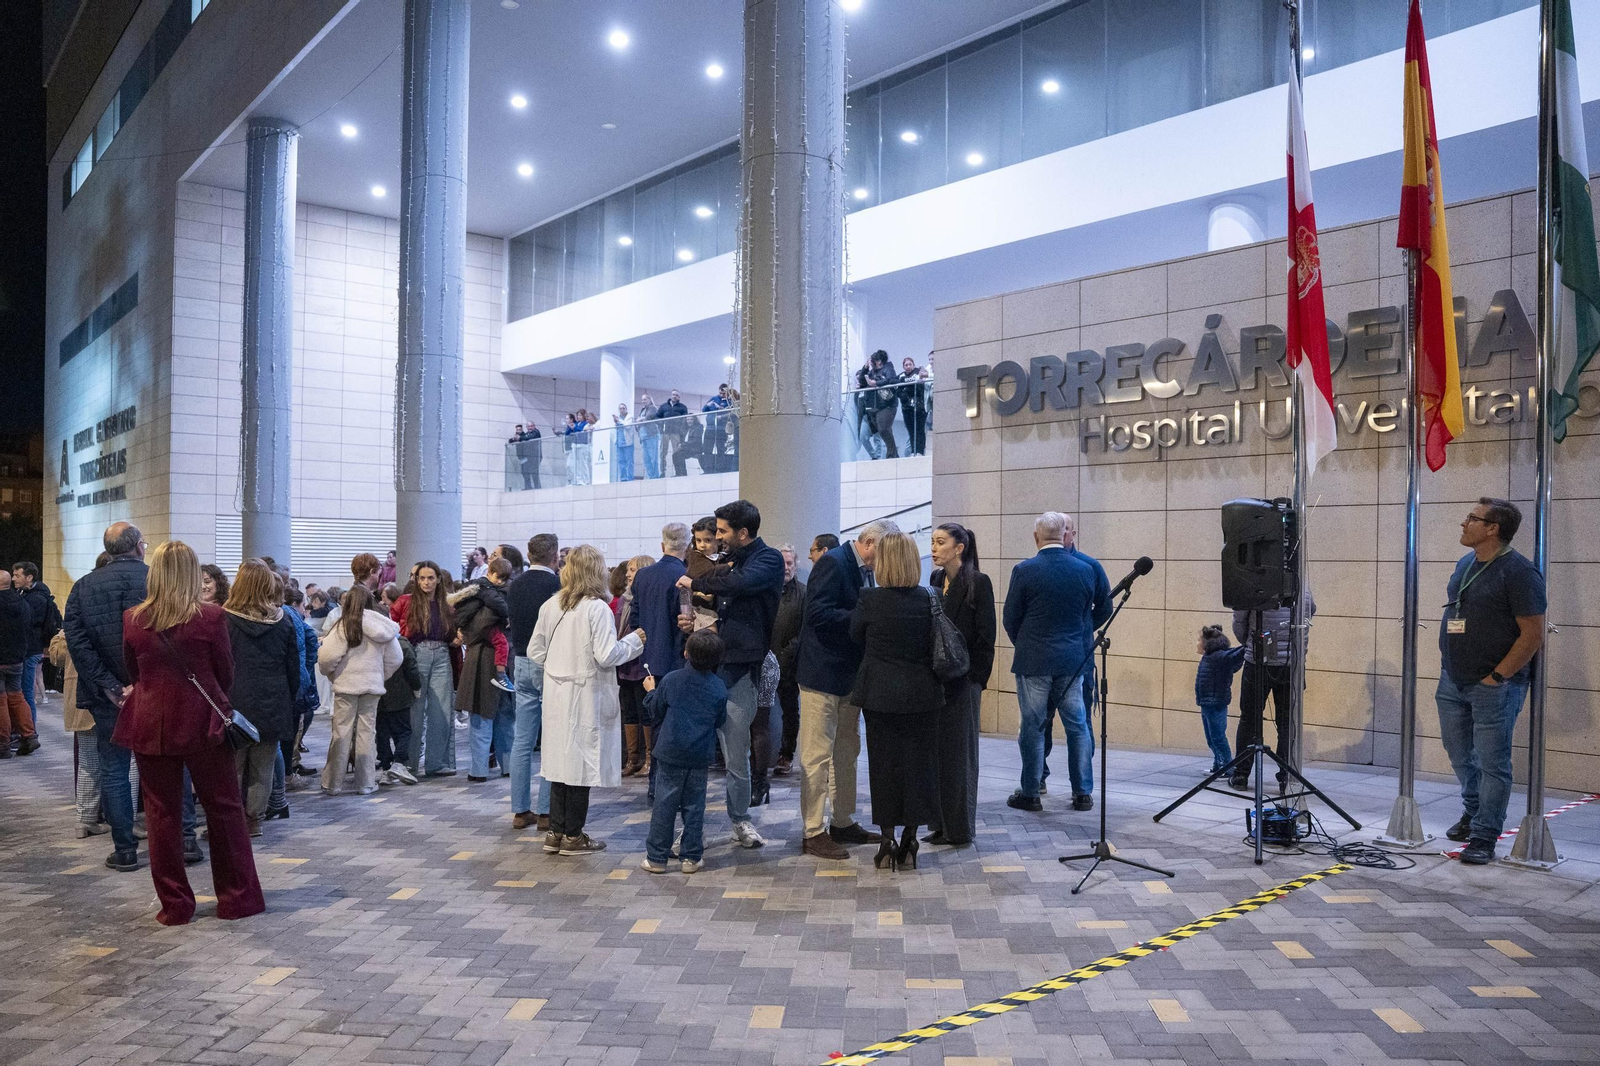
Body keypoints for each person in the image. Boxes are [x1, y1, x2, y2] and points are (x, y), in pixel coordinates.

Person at [116, 540, 265, 925]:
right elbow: (225, 673)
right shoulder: (211, 617)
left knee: (161, 814)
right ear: (191, 574)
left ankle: (176, 905)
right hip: (203, 722)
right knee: (224, 808)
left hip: (150, 723)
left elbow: (134, 672)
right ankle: (237, 898)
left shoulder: (133, 619)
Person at [1435, 497, 1547, 865]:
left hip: (1494, 686)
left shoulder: (1519, 572)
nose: (1463, 523)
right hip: (1453, 679)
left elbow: (1533, 634)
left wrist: (1497, 676)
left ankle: (1485, 835)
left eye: (1472, 518)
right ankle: (1473, 811)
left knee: (1492, 763)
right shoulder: (1465, 563)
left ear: (1493, 529)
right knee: (1459, 754)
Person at [675, 500, 785, 850]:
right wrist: (695, 615)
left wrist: (700, 580)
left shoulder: (767, 559)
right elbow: (712, 591)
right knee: (693, 753)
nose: (717, 536)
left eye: (722, 531)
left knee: (737, 755)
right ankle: (690, 827)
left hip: (740, 669)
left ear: (743, 532)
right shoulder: (730, 561)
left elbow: (736, 583)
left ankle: (740, 819)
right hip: (707, 666)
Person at [529, 545, 646, 855]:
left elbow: (535, 651)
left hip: (557, 694)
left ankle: (555, 832)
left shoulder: (551, 605)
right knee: (579, 765)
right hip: (585, 695)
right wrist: (634, 641)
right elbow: (607, 655)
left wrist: (559, 666)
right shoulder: (597, 608)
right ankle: (573, 836)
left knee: (559, 765)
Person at [793, 520, 897, 858]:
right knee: (817, 755)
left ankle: (842, 821)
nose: (886, 559)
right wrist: (864, 617)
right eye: (884, 551)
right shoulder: (833, 562)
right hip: (822, 674)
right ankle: (813, 831)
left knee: (847, 752)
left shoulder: (864, 568)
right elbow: (817, 614)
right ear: (869, 543)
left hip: (849, 675)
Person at [1002, 511, 1111, 813]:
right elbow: (1095, 612)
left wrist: (1026, 643)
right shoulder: (1085, 569)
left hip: (1034, 661)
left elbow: (1010, 617)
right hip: (1073, 660)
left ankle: (1031, 793)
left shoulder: (1024, 570)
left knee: (1033, 726)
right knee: (1077, 726)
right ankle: (1083, 793)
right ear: (1065, 534)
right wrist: (1077, 636)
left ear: (1036, 536)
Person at [848, 531, 944, 871]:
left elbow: (854, 635)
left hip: (880, 694)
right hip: (923, 694)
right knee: (919, 766)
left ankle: (887, 840)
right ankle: (911, 840)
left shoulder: (869, 599)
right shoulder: (931, 597)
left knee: (884, 767)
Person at [64, 522, 150, 870]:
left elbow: (77, 643)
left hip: (106, 698)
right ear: (139, 546)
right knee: (165, 765)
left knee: (114, 769)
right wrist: (139, 683)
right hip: (154, 692)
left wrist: (108, 685)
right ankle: (181, 841)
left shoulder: (83, 587)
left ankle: (125, 849)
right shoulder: (156, 580)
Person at [926, 523, 994, 847]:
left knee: (961, 757)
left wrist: (975, 680)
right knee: (938, 754)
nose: (934, 548)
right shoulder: (935, 580)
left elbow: (986, 637)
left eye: (941, 542)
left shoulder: (978, 583)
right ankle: (939, 824)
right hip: (938, 681)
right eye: (932, 542)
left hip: (964, 682)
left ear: (959, 547)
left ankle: (960, 829)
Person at [222, 561, 302, 834]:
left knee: (232, 766)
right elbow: (293, 667)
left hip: (234, 700)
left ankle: (231, 821)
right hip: (273, 701)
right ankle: (253, 819)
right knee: (263, 767)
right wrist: (288, 699)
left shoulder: (225, 619)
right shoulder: (284, 620)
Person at [639, 629, 728, 875]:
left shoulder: (671, 680)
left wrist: (650, 691)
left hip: (670, 752)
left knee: (664, 805)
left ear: (686, 653)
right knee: (695, 806)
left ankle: (656, 859)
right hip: (699, 755)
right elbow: (720, 720)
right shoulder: (719, 687)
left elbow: (655, 710)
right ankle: (691, 857)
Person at [318, 584, 403, 796]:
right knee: (367, 732)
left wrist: (332, 675)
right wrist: (379, 675)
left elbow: (327, 657)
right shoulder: (382, 625)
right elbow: (396, 658)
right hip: (372, 686)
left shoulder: (343, 625)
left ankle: (332, 784)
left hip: (346, 686)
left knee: (341, 733)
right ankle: (365, 783)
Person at [1228, 589, 1316, 793]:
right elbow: (1310, 611)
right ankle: (1286, 777)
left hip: (1258, 661)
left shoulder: (1255, 587)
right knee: (1287, 722)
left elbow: (1239, 621)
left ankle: (1241, 774)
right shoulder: (1302, 586)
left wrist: (1249, 643)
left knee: (1249, 719)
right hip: (1292, 664)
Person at [507, 534, 561, 829]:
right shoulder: (556, 586)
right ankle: (546, 811)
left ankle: (519, 810)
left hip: (520, 660)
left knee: (523, 739)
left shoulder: (515, 584)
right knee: (551, 737)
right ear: (555, 556)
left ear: (529, 555)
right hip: (548, 662)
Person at [390, 561, 457, 777]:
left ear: (438, 579)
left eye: (430, 578)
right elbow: (394, 629)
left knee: (442, 710)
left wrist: (456, 637)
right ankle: (408, 763)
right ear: (416, 580)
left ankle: (436, 763)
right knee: (415, 711)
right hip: (417, 653)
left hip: (442, 653)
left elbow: (452, 630)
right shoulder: (406, 601)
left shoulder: (446, 603)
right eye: (422, 578)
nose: (426, 582)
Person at [453, 557, 517, 781]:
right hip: (505, 659)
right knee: (504, 716)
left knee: (481, 715)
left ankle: (479, 769)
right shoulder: (510, 593)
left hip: (480, 659)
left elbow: (476, 626)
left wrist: (465, 631)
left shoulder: (478, 594)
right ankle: (508, 766)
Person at [617, 554, 657, 776]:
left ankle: (649, 758)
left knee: (645, 711)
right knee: (629, 711)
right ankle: (632, 758)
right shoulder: (624, 599)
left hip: (642, 662)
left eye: (632, 570)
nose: (627, 574)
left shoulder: (648, 598)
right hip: (624, 662)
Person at [770, 545, 805, 776]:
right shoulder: (766, 590)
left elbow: (804, 630)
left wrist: (785, 655)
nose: (785, 568)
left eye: (789, 563)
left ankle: (786, 754)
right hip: (764, 660)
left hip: (790, 663)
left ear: (796, 565)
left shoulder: (803, 593)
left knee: (790, 710)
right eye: (781, 563)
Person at [12, 562, 59, 730]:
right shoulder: (25, 593)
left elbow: (26, 623)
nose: (14, 579)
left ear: (29, 577)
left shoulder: (37, 599)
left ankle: (29, 730)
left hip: (31, 650)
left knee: (27, 692)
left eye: (17, 575)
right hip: (27, 649)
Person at [1195, 625, 1247, 775]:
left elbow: (1236, 654)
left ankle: (1227, 767)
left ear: (1207, 643)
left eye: (1199, 640)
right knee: (1212, 738)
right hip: (1207, 703)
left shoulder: (1218, 657)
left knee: (1217, 737)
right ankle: (1218, 765)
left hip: (1215, 704)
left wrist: (1248, 644)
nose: (1197, 643)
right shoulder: (1210, 657)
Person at [0, 567, 39, 756]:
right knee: (17, 697)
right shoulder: (22, 602)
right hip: (17, 659)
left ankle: (3, 745)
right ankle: (30, 736)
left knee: (1, 701)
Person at [377, 626, 422, 786]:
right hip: (400, 695)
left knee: (381, 734)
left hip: (377, 695)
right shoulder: (400, 642)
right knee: (403, 731)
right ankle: (399, 763)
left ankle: (385, 768)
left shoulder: (372, 641)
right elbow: (411, 667)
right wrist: (416, 687)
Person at [865, 350, 901, 458]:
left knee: (883, 429)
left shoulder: (888, 369)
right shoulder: (872, 372)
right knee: (883, 431)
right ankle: (893, 454)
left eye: (873, 361)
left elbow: (891, 380)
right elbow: (862, 380)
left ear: (879, 361)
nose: (871, 363)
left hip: (887, 404)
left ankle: (891, 454)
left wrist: (876, 383)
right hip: (874, 405)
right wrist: (865, 368)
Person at [898, 356, 929, 456]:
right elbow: (898, 390)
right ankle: (913, 451)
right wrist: (903, 396)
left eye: (910, 364)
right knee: (911, 430)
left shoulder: (918, 372)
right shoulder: (901, 376)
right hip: (907, 407)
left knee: (919, 429)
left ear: (913, 365)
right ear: (903, 366)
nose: (908, 366)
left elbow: (922, 385)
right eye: (906, 365)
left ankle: (920, 451)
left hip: (919, 406)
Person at [655, 389, 689, 476]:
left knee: (677, 453)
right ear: (671, 395)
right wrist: (661, 425)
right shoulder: (663, 406)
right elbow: (657, 417)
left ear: (679, 397)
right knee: (662, 453)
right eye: (673, 394)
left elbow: (685, 420)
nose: (674, 396)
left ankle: (678, 472)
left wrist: (682, 431)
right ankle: (662, 472)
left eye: (676, 395)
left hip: (676, 433)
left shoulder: (683, 407)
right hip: (664, 432)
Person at [510, 424, 543, 490]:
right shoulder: (522, 435)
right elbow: (511, 441)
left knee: (533, 472)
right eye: (517, 430)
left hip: (531, 456)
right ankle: (528, 486)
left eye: (519, 429)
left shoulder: (532, 433)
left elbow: (528, 437)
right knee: (524, 472)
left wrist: (519, 438)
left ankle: (537, 487)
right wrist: (515, 438)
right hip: (523, 457)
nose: (518, 431)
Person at [635, 396, 662, 480]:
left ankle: (655, 476)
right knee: (646, 459)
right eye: (642, 399)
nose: (643, 401)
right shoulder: (642, 410)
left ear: (650, 400)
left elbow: (648, 418)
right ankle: (651, 476)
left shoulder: (652, 408)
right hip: (643, 437)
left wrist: (641, 419)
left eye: (645, 399)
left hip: (651, 435)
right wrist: (640, 420)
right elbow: (637, 422)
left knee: (653, 457)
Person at [612, 403, 636, 482]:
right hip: (619, 443)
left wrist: (619, 420)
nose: (622, 410)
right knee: (621, 462)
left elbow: (628, 426)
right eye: (620, 408)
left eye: (623, 408)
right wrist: (616, 421)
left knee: (629, 461)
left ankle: (630, 478)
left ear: (626, 409)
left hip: (628, 443)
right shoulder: (618, 419)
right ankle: (623, 478)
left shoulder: (629, 417)